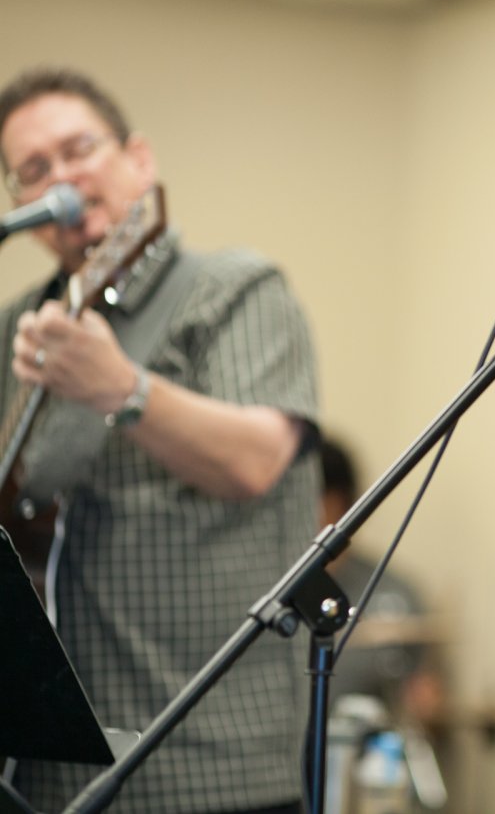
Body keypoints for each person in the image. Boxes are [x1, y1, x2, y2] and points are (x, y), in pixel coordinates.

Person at [0, 67, 319, 813]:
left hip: (206, 763)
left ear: (139, 159)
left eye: (78, 149)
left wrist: (123, 387)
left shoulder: (235, 288)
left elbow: (255, 460)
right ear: (21, 208)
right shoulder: (22, 325)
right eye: (34, 170)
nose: (61, 178)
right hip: (48, 771)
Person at [319, 436, 445, 731]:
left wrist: (425, 701)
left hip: (369, 749)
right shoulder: (272, 595)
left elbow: (423, 691)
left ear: (338, 502)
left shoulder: (394, 592)